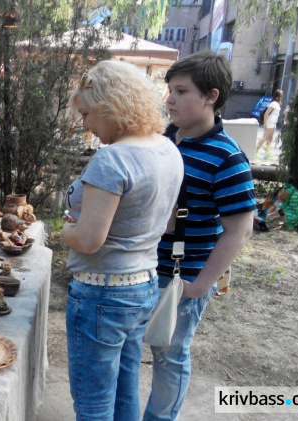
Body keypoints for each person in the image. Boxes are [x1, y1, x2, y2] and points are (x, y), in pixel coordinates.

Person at [62, 60, 184, 420]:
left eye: (86, 114)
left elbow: (87, 240)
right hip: (142, 286)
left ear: (107, 105)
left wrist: (62, 230)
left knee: (93, 402)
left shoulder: (113, 159)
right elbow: (166, 224)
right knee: (125, 391)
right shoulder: (167, 149)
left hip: (102, 294)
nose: (85, 124)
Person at [144, 50, 255, 421]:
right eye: (169, 90)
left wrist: (200, 284)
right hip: (141, 269)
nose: (169, 99)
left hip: (181, 277)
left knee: (170, 355)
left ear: (211, 96)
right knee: (133, 348)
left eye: (180, 91)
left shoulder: (228, 158)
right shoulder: (165, 139)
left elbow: (239, 229)